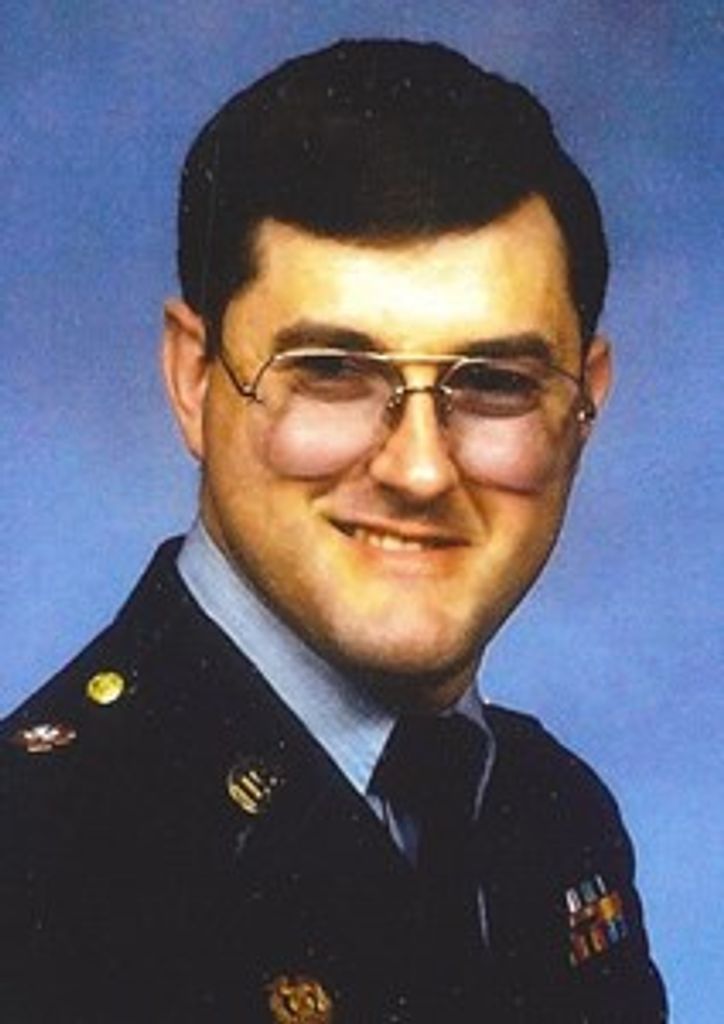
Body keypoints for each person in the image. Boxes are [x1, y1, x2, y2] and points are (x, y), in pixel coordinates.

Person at [0, 38, 667, 1023]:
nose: (419, 470)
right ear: (193, 380)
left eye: (494, 383)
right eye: (330, 373)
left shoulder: (553, 816)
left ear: (583, 404)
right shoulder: (36, 860)